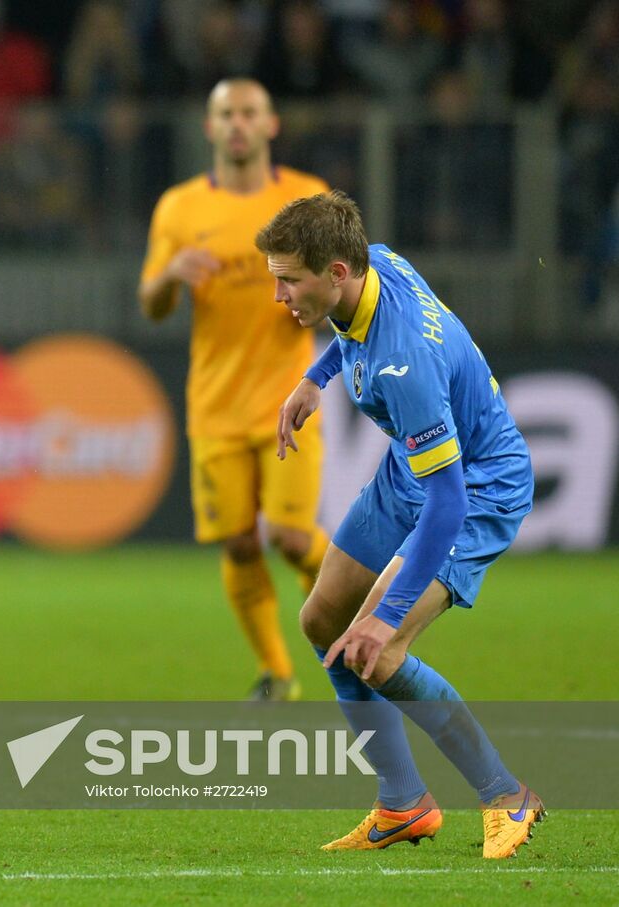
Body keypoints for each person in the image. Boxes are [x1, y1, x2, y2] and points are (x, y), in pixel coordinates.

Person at [267, 191, 542, 859]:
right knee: (323, 622)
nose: (278, 295)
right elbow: (350, 329)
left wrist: (386, 614)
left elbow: (448, 503)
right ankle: (402, 802)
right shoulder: (375, 262)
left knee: (376, 650)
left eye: (288, 279)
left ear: (335, 271)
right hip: (410, 471)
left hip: (476, 489)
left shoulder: (404, 364)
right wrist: (316, 376)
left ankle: (506, 792)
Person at [138, 78, 331, 701]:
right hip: (215, 406)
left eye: (250, 113)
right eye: (227, 114)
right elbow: (152, 306)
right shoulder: (180, 208)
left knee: (293, 538)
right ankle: (277, 674)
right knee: (241, 543)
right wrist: (170, 274)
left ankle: (355, 623)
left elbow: (344, 288)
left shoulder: (308, 199)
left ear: (272, 124)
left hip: (287, 399)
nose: (238, 124)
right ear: (210, 128)